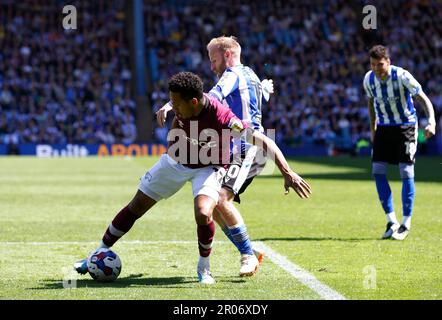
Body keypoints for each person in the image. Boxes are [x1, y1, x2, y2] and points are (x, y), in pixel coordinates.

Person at [74, 72, 312, 284]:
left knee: (203, 212)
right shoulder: (185, 102)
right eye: (171, 101)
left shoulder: (223, 118)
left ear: (194, 102)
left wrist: (287, 171)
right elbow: (176, 102)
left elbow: (263, 140)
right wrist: (169, 108)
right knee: (136, 207)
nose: (173, 107)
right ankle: (97, 254)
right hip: (175, 161)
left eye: (176, 103)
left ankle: (204, 268)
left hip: (208, 168)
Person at [156, 36, 274, 276]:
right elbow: (254, 99)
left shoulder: (231, 75)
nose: (211, 66)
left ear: (228, 55)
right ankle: (248, 252)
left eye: (214, 59)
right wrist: (265, 89)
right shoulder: (251, 75)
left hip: (246, 145)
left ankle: (247, 255)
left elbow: (212, 97)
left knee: (219, 198)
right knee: (213, 203)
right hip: (242, 144)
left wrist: (171, 104)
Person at [363, 45, 436, 240]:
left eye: (380, 65)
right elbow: (371, 103)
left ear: (388, 62)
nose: (376, 69)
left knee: (406, 172)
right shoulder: (369, 79)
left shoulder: (402, 76)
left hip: (406, 126)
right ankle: (391, 220)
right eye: (373, 65)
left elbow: (423, 98)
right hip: (384, 129)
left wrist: (431, 121)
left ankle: (406, 223)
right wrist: (373, 129)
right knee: (377, 171)